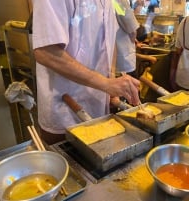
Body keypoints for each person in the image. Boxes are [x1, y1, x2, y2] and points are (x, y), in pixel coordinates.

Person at [32, 0, 141, 145]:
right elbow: (46, 52)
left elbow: (110, 40)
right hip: (64, 111)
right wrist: (106, 84)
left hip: (99, 107)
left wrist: (111, 81)